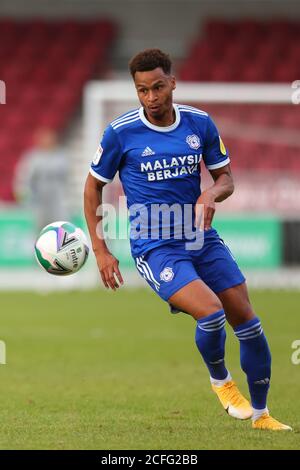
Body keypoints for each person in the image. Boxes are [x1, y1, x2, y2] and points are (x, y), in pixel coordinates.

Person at [84, 49, 291, 431]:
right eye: (142, 90)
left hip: (201, 239)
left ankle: (262, 416)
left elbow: (226, 178)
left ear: (172, 83)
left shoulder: (200, 123)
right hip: (155, 246)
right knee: (211, 313)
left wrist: (210, 194)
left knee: (247, 320)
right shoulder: (120, 132)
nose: (151, 98)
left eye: (158, 87)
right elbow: (93, 187)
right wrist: (100, 249)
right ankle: (222, 383)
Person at [14, 127, 69, 231]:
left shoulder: (62, 157)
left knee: (61, 229)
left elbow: (67, 180)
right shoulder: (32, 158)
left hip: (58, 201)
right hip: (39, 202)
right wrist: (23, 194)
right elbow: (24, 178)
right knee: (38, 231)